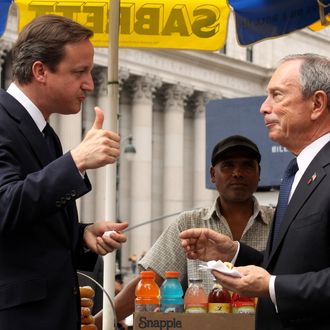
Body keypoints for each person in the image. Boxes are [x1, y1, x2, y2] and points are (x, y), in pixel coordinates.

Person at [180, 54, 330, 330]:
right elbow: (291, 266)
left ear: (317, 104)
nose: (264, 107)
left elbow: (279, 279)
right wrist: (234, 253)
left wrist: (272, 286)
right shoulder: (297, 172)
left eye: (277, 95)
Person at [0, 15, 128, 330]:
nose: (90, 83)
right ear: (40, 71)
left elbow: (32, 225)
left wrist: (81, 235)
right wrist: (76, 161)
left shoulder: (44, 133)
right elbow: (4, 207)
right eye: (79, 72)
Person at [95, 135, 274, 328]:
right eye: (228, 165)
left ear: (259, 173)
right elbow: (149, 281)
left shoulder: (278, 221)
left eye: (247, 165)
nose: (237, 173)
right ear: (213, 174)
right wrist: (95, 323)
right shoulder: (188, 223)